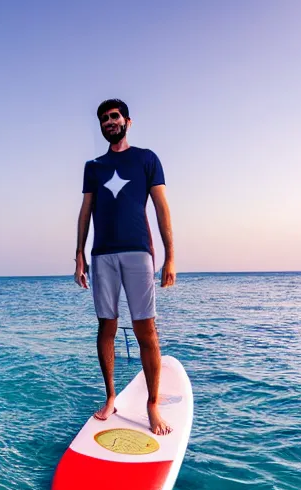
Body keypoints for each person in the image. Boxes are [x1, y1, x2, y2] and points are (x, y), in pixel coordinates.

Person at [74, 98, 176, 436]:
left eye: (114, 117)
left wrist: (170, 256)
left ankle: (152, 404)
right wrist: (79, 254)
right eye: (103, 119)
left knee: (146, 330)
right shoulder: (94, 166)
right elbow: (86, 210)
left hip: (138, 253)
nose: (109, 122)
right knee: (107, 327)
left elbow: (161, 208)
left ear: (127, 121)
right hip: (102, 255)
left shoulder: (146, 159)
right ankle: (110, 396)